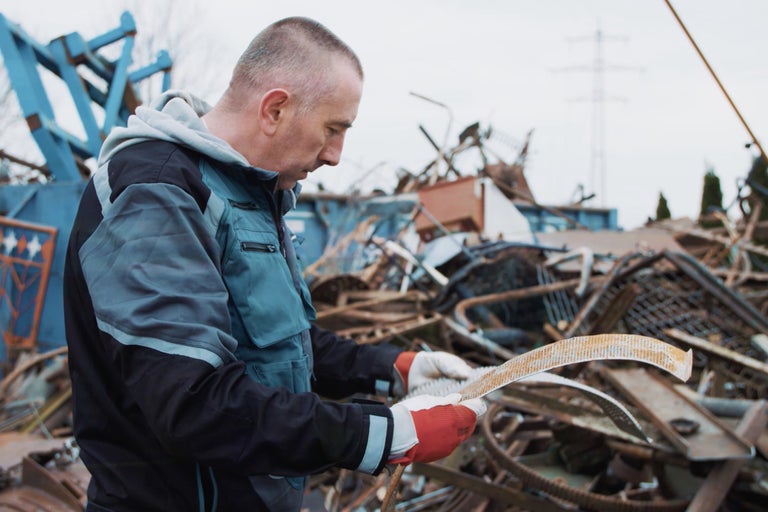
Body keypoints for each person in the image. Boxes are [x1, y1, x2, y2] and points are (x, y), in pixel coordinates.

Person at [63, 16, 485, 512]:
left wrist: (392, 368)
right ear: (275, 109)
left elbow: (279, 347)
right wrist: (384, 435)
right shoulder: (157, 193)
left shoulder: (248, 193)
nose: (335, 155)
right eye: (333, 129)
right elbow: (193, 404)